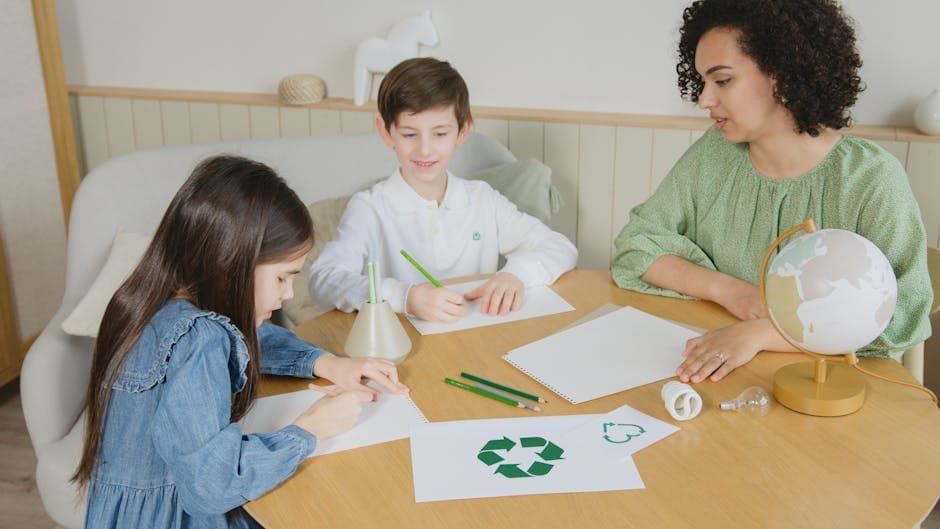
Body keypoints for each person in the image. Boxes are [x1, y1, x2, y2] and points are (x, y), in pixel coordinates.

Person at [72, 155, 410, 529]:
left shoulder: (148, 301)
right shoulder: (199, 340)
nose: (287, 294)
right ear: (231, 261)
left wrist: (325, 363)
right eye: (282, 278)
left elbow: (248, 336)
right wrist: (311, 428)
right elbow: (211, 486)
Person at [611, 0, 932, 384]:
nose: (703, 100)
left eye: (723, 80)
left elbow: (899, 317)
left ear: (782, 73)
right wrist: (730, 291)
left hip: (833, 392)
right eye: (702, 82)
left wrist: (764, 333)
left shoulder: (871, 179)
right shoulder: (714, 156)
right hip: (730, 380)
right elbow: (636, 246)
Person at [309, 57, 577, 322]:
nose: (425, 149)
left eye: (440, 134)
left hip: (473, 340)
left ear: (462, 131)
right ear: (385, 131)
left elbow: (559, 247)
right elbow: (323, 280)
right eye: (409, 134)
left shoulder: (482, 200)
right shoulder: (370, 208)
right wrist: (406, 297)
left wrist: (516, 274)